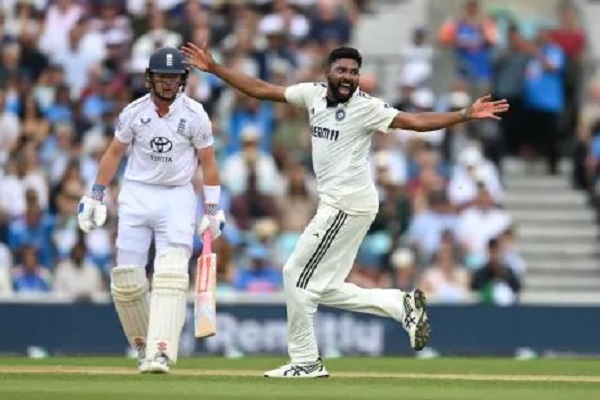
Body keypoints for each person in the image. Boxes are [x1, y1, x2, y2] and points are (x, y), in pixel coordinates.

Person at [182, 42, 508, 378]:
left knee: (294, 275)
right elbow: (262, 89)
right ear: (328, 72)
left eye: (354, 72)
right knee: (323, 286)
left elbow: (414, 120)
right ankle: (401, 305)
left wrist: (464, 114)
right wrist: (216, 68)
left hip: (346, 205)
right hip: (343, 204)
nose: (348, 77)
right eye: (342, 70)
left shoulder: (366, 107)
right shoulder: (311, 94)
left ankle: (306, 361)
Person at [77, 47, 225, 374]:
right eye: (162, 77)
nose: (168, 83)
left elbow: (209, 162)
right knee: (127, 278)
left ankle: (162, 351)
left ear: (183, 80)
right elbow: (114, 153)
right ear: (150, 78)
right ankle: (144, 344)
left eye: (174, 77)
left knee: (171, 273)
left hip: (177, 196)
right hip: (136, 193)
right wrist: (95, 196)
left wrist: (213, 208)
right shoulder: (134, 112)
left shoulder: (195, 114)